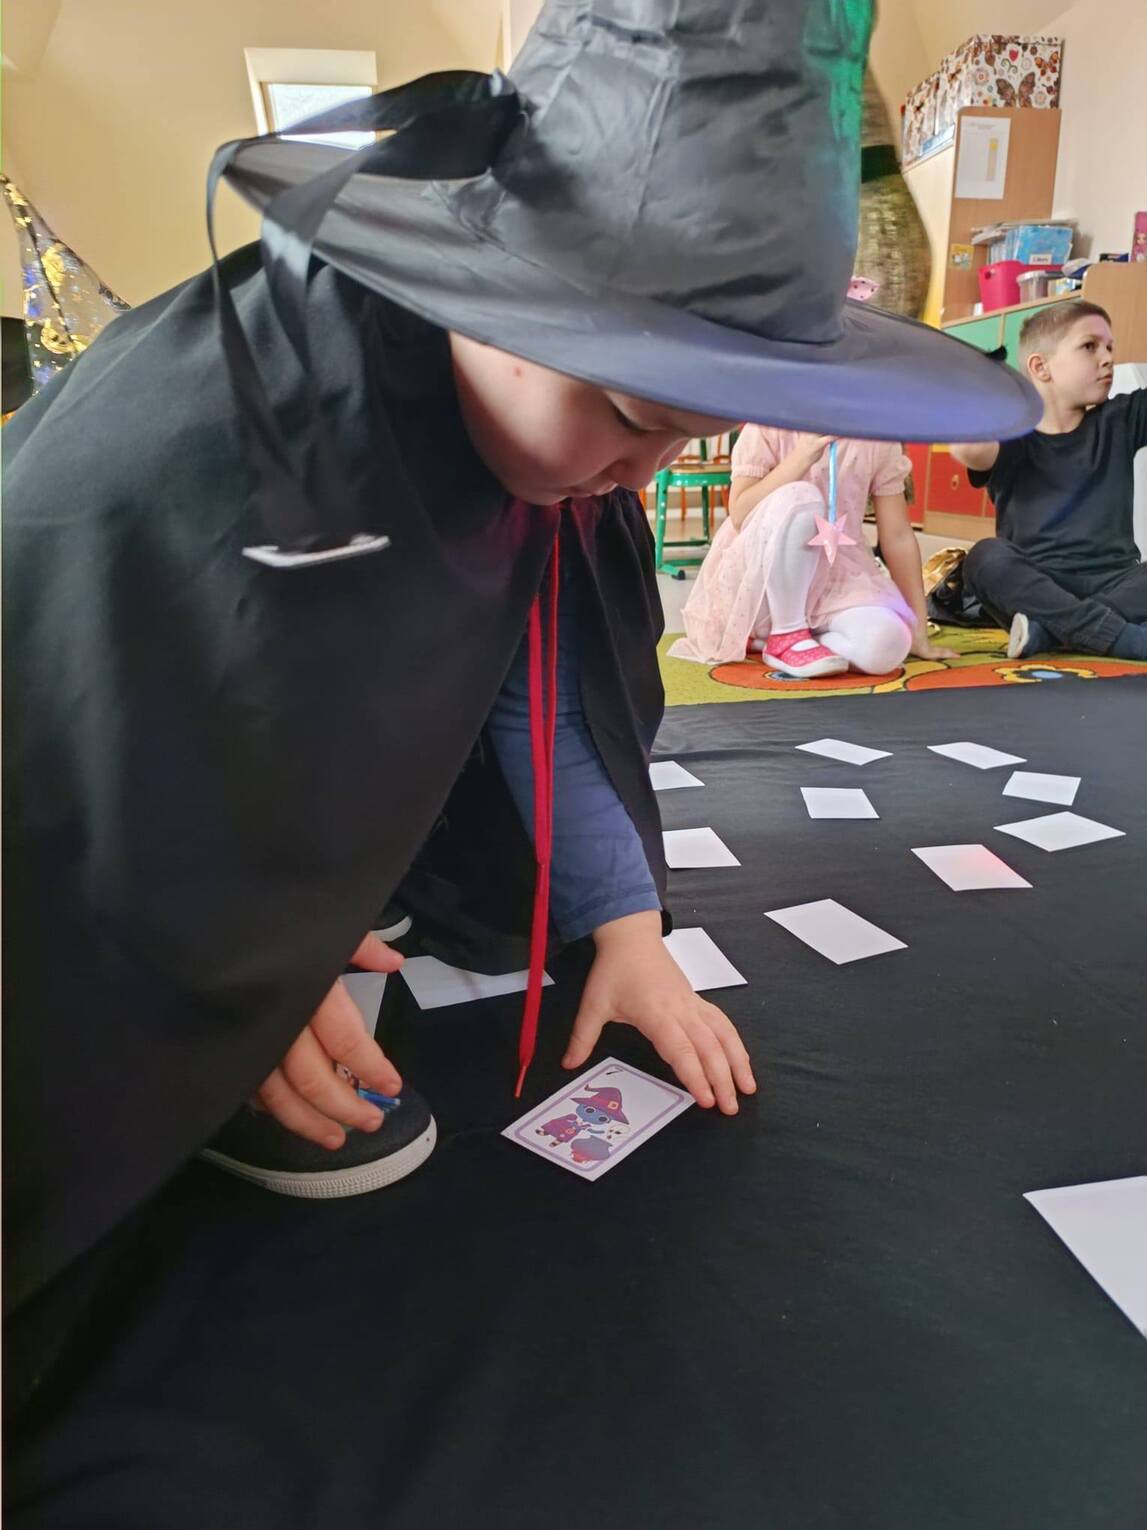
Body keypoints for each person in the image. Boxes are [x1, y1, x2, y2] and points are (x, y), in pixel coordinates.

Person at [3, 0, 1040, 1422]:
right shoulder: (200, 447)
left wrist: (624, 923)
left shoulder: (551, 454)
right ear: (481, 296)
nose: (636, 477)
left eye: (684, 435)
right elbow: (86, 732)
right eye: (626, 418)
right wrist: (216, 964)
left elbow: (534, 673)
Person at [671, 398, 955, 675]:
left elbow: (898, 535)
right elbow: (739, 512)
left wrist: (918, 631)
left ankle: (800, 642)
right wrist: (800, 459)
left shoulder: (876, 437)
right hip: (763, 582)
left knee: (890, 644)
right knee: (802, 497)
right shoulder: (767, 424)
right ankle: (786, 634)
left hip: (838, 579)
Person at [951, 300, 1147, 660]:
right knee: (984, 557)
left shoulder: (1121, 418)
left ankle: (1049, 634)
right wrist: (984, 387)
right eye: (1089, 346)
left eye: (1110, 347)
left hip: (1116, 579)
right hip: (1036, 587)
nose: (1107, 358)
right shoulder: (1013, 435)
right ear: (1040, 367)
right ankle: (1125, 639)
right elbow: (968, 448)